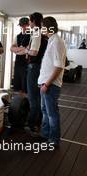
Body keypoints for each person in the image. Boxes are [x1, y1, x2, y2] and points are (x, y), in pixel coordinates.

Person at [15, 12, 48, 135]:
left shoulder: (36, 32)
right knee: (37, 96)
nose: (28, 23)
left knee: (33, 97)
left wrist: (25, 50)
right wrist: (23, 51)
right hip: (38, 67)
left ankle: (32, 123)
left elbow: (33, 52)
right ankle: (37, 121)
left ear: (32, 21)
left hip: (34, 67)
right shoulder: (42, 33)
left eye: (29, 20)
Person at [38, 16, 66, 147]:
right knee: (45, 111)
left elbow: (59, 66)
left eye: (42, 26)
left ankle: (53, 140)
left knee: (51, 113)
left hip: (50, 85)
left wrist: (47, 84)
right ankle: (45, 134)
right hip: (45, 83)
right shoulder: (51, 40)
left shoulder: (57, 42)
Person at [10, 17, 31, 94]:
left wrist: (18, 50)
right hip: (18, 63)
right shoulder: (18, 36)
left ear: (28, 25)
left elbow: (29, 50)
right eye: (21, 26)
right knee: (17, 86)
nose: (23, 27)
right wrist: (23, 49)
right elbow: (12, 48)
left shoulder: (32, 36)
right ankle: (18, 103)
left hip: (27, 64)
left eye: (24, 25)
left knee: (25, 87)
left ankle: (25, 103)